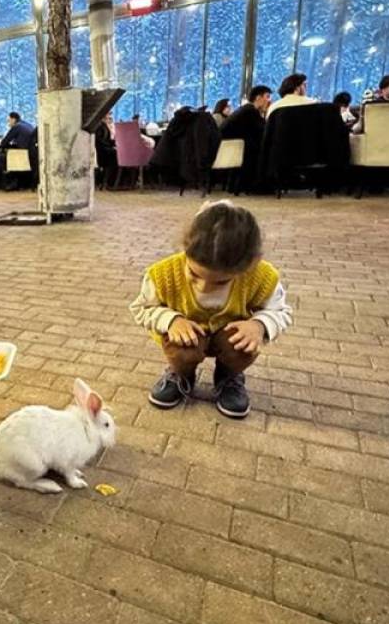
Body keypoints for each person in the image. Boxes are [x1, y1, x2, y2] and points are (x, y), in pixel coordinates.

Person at [130, 201, 292, 418]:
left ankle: (228, 377)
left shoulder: (262, 277)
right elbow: (142, 308)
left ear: (250, 265)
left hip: (229, 336)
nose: (203, 286)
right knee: (181, 347)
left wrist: (259, 325)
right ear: (185, 249)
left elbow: (281, 311)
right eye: (194, 274)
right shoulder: (162, 274)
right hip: (188, 338)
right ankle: (181, 375)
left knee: (244, 344)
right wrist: (171, 320)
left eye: (220, 282)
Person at [95, 112, 119, 188]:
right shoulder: (99, 126)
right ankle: (106, 181)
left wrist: (115, 144)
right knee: (114, 156)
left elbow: (107, 140)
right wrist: (112, 145)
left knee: (116, 154)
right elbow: (99, 140)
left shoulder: (104, 126)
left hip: (105, 148)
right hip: (102, 150)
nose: (109, 118)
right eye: (108, 116)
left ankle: (107, 181)